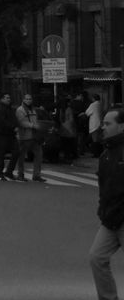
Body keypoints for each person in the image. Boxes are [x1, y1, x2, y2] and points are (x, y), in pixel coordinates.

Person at [90, 107, 124, 300]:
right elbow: (104, 186)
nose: (103, 127)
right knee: (97, 258)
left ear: (121, 126)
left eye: (108, 123)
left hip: (121, 216)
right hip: (110, 218)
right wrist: (103, 209)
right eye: (103, 123)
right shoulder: (106, 153)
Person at [16, 93, 46, 182]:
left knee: (39, 155)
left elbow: (36, 120)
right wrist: (33, 125)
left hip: (34, 136)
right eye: (27, 99)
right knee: (21, 157)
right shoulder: (20, 110)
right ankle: (20, 174)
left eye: (30, 99)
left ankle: (36, 175)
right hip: (24, 136)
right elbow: (21, 122)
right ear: (23, 100)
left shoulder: (33, 109)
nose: (29, 100)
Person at [0, 91, 19, 181]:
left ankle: (9, 171)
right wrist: (12, 127)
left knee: (16, 152)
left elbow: (13, 119)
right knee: (1, 155)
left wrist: (15, 125)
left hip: (10, 134)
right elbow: (2, 121)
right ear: (2, 99)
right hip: (1, 134)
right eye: (6, 98)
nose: (8, 99)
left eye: (9, 98)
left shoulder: (9, 108)